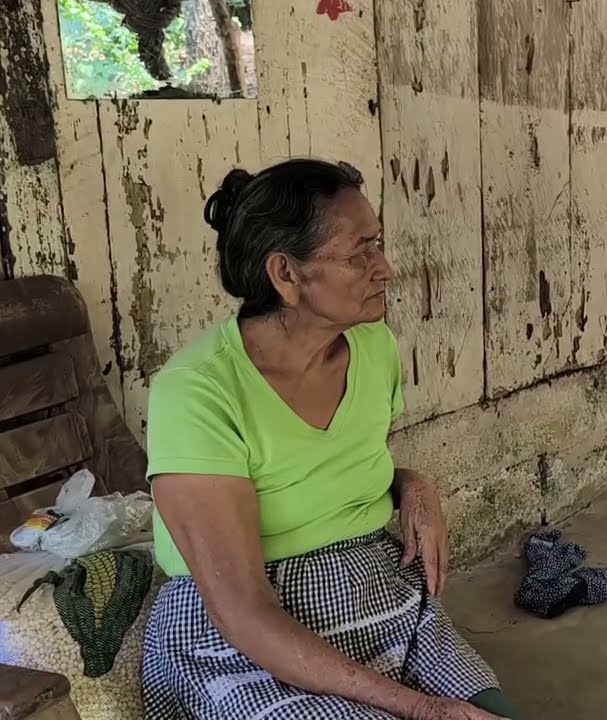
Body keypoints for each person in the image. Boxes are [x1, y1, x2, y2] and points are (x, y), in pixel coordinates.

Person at [141, 159, 520, 720]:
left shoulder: (373, 348)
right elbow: (242, 611)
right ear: (286, 275)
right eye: (358, 253)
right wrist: (418, 708)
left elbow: (332, 468)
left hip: (376, 594)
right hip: (243, 637)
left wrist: (413, 484)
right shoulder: (196, 392)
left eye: (379, 245)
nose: (385, 268)